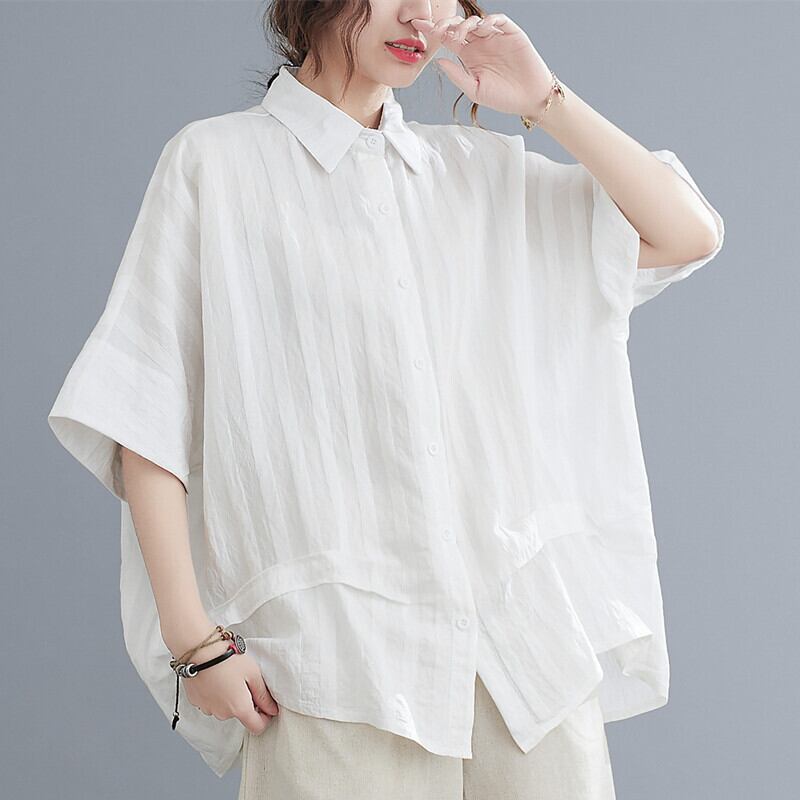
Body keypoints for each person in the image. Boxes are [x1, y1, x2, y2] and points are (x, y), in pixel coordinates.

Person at [46, 1, 725, 798]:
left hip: (523, 663)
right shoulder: (216, 165)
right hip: (337, 663)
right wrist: (194, 642)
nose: (418, 14)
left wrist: (545, 101)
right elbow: (144, 411)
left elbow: (687, 233)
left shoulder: (475, 171)